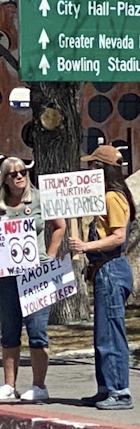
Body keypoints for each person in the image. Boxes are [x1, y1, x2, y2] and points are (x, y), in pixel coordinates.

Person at [0, 157, 65, 402]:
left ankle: (39, 386)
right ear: (5, 179)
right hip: (7, 275)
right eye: (13, 174)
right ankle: (9, 385)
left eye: (22, 172)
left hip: (36, 274)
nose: (19, 176)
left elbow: (59, 226)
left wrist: (50, 256)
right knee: (9, 330)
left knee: (37, 330)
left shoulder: (41, 198)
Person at [70, 145, 135, 411]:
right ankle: (106, 387)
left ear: (102, 169)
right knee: (102, 335)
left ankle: (120, 391)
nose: (88, 170)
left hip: (111, 269)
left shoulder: (111, 197)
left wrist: (86, 247)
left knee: (111, 335)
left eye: (93, 166)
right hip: (104, 270)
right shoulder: (105, 197)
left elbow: (118, 237)